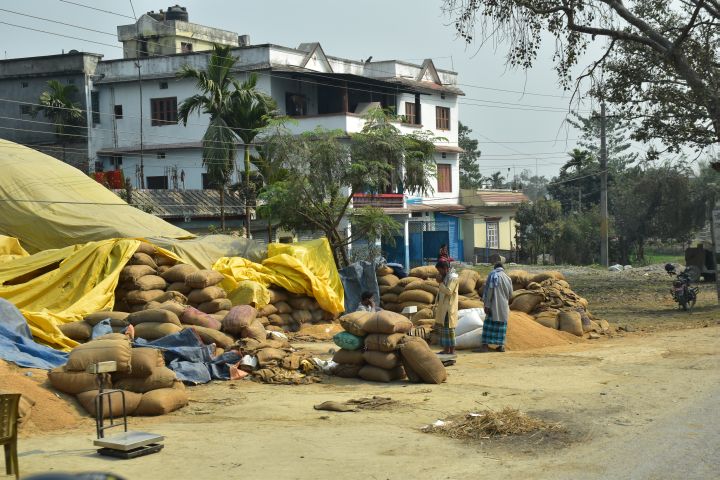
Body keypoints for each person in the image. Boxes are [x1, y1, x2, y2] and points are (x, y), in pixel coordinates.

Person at [475, 263, 513, 352]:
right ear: (503, 268)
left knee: (488, 325)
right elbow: (511, 294)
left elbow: (489, 291)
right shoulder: (508, 278)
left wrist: (487, 305)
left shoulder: (493, 275)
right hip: (504, 306)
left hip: (493, 305)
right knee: (501, 326)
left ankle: (485, 346)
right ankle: (501, 346)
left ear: (495, 267)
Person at [434, 260, 459, 355]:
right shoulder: (446, 277)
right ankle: (446, 349)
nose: (439, 273)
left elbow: (449, 291)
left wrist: (440, 283)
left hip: (449, 307)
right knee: (444, 329)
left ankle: (452, 350)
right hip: (443, 307)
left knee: (449, 329)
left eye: (440, 271)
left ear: (445, 269)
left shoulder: (453, 277)